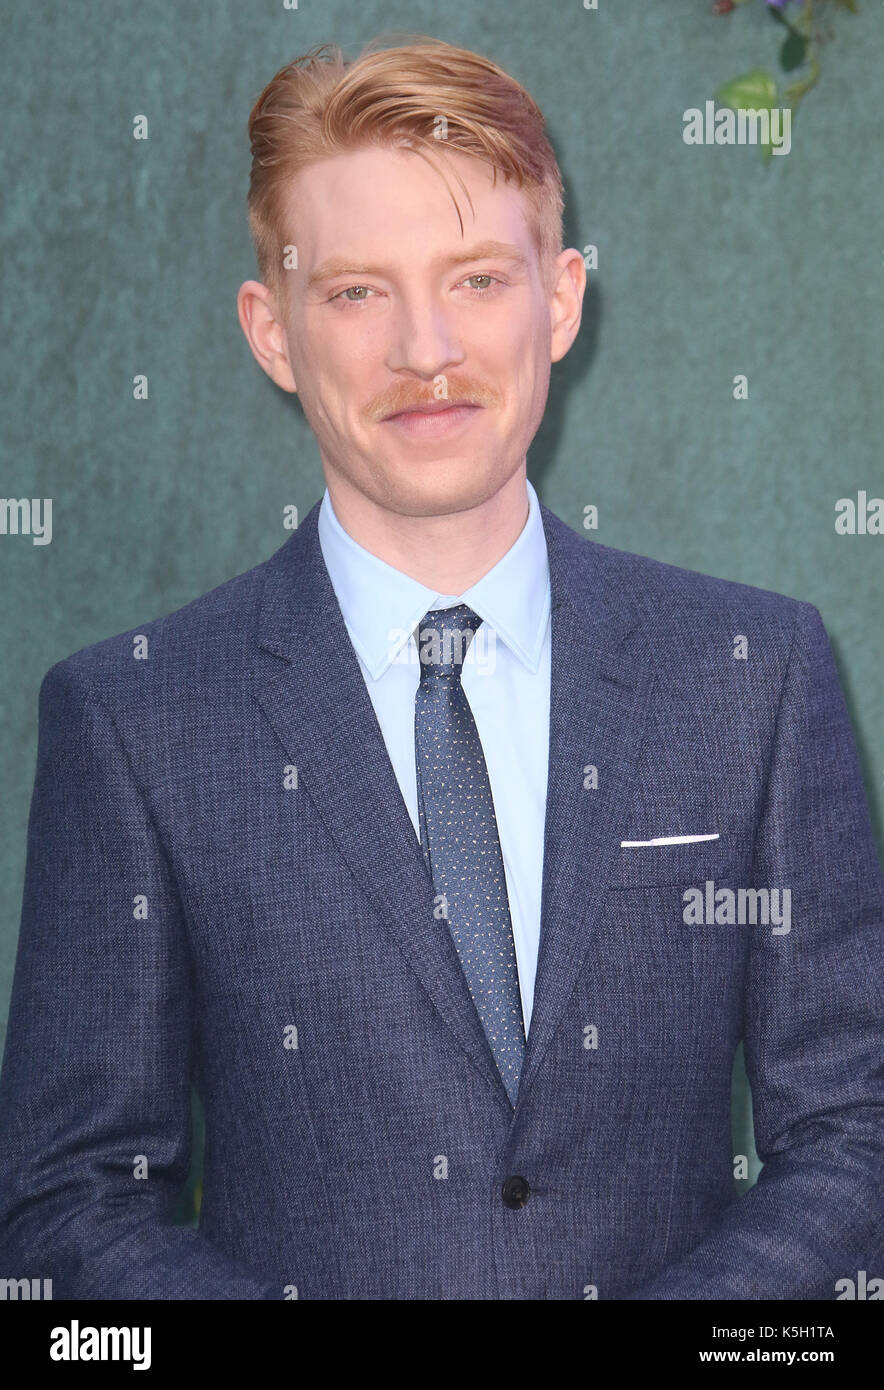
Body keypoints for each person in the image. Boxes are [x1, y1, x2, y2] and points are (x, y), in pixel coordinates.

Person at [0, 35, 881, 1301]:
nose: (426, 349)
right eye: (356, 291)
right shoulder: (133, 716)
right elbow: (67, 1206)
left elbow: (854, 1135)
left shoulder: (752, 677)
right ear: (272, 330)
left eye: (474, 278)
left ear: (561, 298)